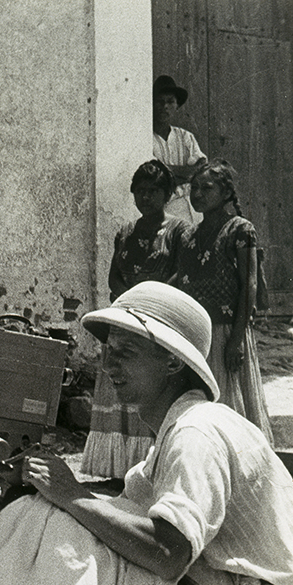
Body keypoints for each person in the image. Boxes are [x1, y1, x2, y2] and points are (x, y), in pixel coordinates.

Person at [0, 281, 293, 585]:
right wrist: (29, 488)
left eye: (126, 353)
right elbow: (122, 514)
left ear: (172, 363)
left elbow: (167, 551)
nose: (109, 367)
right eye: (108, 353)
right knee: (66, 523)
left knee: (106, 562)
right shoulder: (180, 427)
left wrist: (72, 495)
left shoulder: (195, 433)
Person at [82, 159, 189, 478]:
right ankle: (117, 466)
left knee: (147, 384)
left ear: (167, 194)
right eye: (140, 191)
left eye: (153, 191)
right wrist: (128, 302)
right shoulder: (125, 232)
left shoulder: (179, 231)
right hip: (126, 317)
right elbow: (114, 277)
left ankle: (150, 465)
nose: (146, 198)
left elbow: (181, 273)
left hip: (158, 321)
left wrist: (149, 301)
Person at [173, 158, 273, 443]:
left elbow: (248, 284)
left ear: (226, 193)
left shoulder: (240, 230)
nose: (198, 194)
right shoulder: (189, 234)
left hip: (227, 330)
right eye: (194, 188)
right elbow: (181, 281)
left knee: (229, 402)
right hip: (195, 335)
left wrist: (237, 338)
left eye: (207, 187)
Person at [152, 75, 206, 224]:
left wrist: (169, 170)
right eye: (160, 102)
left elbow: (202, 170)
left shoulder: (185, 136)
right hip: (166, 210)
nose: (165, 107)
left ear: (177, 106)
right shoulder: (146, 139)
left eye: (170, 102)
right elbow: (157, 178)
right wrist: (189, 171)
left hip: (193, 207)